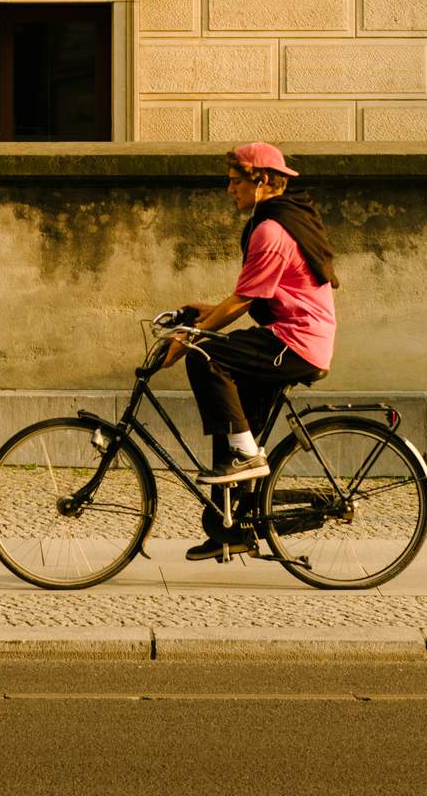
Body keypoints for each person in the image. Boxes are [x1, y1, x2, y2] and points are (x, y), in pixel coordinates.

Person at [163, 142, 338, 562]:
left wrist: (190, 335)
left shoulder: (271, 230)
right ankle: (232, 531)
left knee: (207, 356)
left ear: (260, 181)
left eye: (234, 180)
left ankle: (245, 457)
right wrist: (205, 313)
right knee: (233, 423)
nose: (229, 189)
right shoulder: (278, 219)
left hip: (294, 341)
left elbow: (243, 301)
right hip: (292, 334)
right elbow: (253, 295)